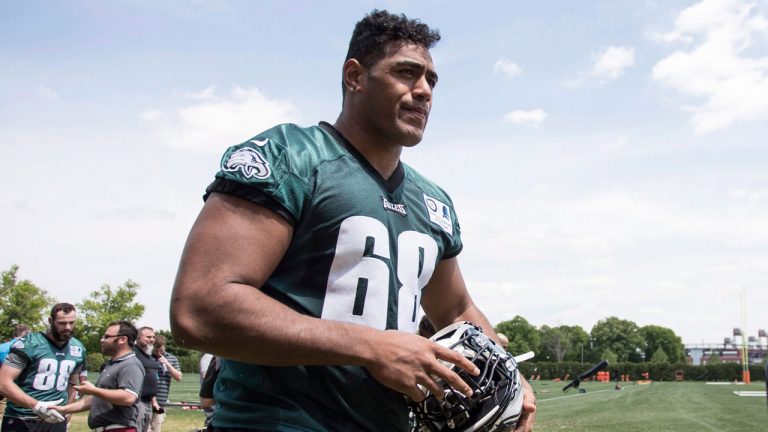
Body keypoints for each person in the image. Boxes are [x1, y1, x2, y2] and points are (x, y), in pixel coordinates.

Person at [170, 9, 536, 432]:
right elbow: (200, 308)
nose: (423, 91)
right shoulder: (292, 157)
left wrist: (512, 377)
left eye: (431, 81)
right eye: (406, 73)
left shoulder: (432, 200)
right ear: (354, 76)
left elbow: (456, 310)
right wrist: (372, 347)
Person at [0, 304, 87, 432]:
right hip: (22, 418)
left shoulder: (78, 348)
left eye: (71, 322)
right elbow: (3, 382)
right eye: (62, 323)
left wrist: (67, 412)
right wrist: (36, 405)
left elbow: (72, 385)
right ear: (50, 321)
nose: (67, 327)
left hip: (55, 420)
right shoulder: (29, 344)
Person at [51, 320, 144, 432]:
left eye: (107, 337)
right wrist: (64, 409)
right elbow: (96, 398)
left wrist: (94, 390)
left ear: (123, 340)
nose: (102, 340)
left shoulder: (131, 365)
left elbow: (128, 397)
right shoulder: (111, 364)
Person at [148, 335, 182, 432]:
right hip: (145, 401)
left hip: (161, 402)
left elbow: (179, 377)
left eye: (161, 351)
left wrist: (167, 364)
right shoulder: (147, 357)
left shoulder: (172, 358)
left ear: (165, 347)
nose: (158, 353)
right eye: (156, 351)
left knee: (156, 428)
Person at [134, 327, 160, 432]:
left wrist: (154, 401)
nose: (152, 339)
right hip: (137, 402)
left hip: (148, 402)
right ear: (138, 337)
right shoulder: (133, 353)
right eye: (148, 337)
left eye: (153, 337)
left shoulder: (149, 355)